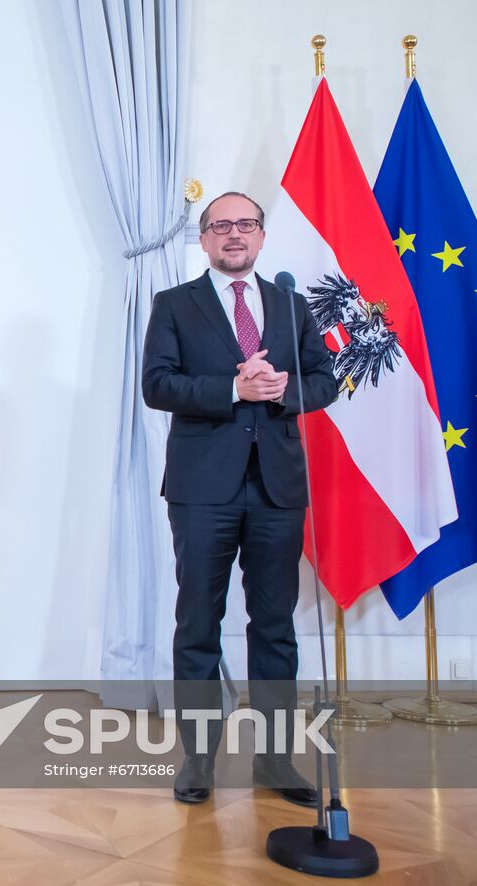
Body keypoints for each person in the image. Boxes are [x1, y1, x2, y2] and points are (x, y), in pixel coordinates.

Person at [141, 191, 336, 806]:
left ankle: (276, 761)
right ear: (203, 240)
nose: (234, 235)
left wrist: (282, 391)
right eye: (220, 226)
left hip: (277, 487)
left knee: (275, 625)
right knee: (199, 621)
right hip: (203, 490)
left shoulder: (289, 303)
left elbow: (323, 379)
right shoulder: (174, 305)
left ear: (260, 235)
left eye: (245, 225)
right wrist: (232, 387)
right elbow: (157, 384)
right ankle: (199, 758)